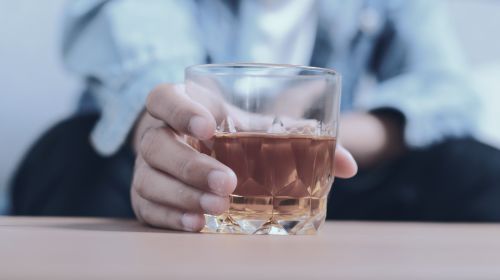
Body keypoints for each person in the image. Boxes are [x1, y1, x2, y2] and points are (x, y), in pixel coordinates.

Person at [11, 0, 500, 230]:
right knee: (73, 151)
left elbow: (446, 87)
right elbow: (137, 37)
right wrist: (168, 123)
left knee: (474, 167)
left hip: (320, 189)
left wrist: (315, 134)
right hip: (179, 183)